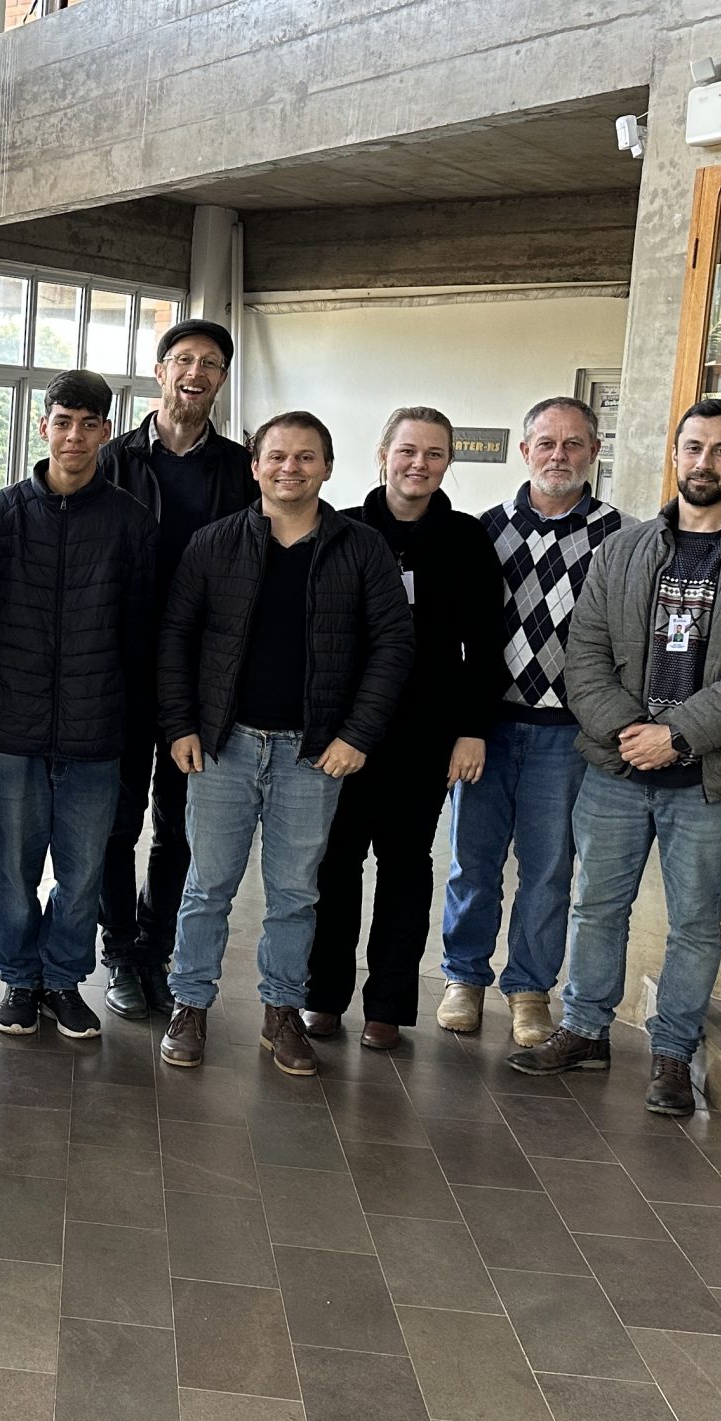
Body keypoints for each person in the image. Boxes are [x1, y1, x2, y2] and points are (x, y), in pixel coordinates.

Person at [511, 397, 721, 1117]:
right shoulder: (623, 550)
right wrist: (629, 731)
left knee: (696, 924)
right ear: (674, 456)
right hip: (616, 770)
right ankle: (585, 1030)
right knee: (595, 906)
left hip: (709, 779)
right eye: (693, 448)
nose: (704, 462)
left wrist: (675, 735)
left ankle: (674, 1052)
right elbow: (584, 655)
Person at [156, 412, 413, 1076]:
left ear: (327, 467)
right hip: (223, 745)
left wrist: (357, 734)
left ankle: (282, 1012)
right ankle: (189, 1005)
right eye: (276, 456)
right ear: (255, 466)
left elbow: (393, 645)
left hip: (312, 753)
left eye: (305, 457)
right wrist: (181, 724)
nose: (289, 468)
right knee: (206, 886)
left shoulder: (361, 548)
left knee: (296, 893)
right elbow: (176, 637)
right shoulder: (214, 543)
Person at [303, 407, 504, 1051]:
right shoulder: (341, 530)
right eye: (408, 450)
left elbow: (486, 645)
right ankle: (323, 997)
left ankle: (388, 1005)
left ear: (448, 463)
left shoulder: (468, 540)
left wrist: (471, 729)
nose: (420, 464)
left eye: (435, 453)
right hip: (345, 733)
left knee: (406, 869)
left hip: (425, 736)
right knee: (334, 866)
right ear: (383, 455)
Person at [436, 397, 625, 1046]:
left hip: (567, 734)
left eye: (573, 444)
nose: (558, 456)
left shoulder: (621, 538)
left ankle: (529, 990)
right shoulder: (484, 530)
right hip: (486, 727)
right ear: (525, 452)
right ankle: (464, 978)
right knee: (472, 861)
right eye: (546, 443)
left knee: (548, 869)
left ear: (594, 452)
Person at [0, 369, 156, 1039]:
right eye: (62, 422)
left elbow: (141, 636)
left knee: (81, 874)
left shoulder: (131, 523)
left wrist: (132, 724)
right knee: (15, 871)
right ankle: (19, 979)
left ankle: (63, 979)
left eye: (87, 424)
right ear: (42, 426)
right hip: (14, 729)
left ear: (105, 432)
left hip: (96, 732)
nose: (74, 436)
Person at [93, 319, 257, 1021]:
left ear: (221, 379)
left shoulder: (242, 469)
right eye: (183, 359)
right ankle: (117, 950)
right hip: (120, 671)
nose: (195, 373)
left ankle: (157, 947)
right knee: (115, 821)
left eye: (210, 363)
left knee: (183, 825)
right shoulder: (111, 458)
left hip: (203, 677)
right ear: (159, 371)